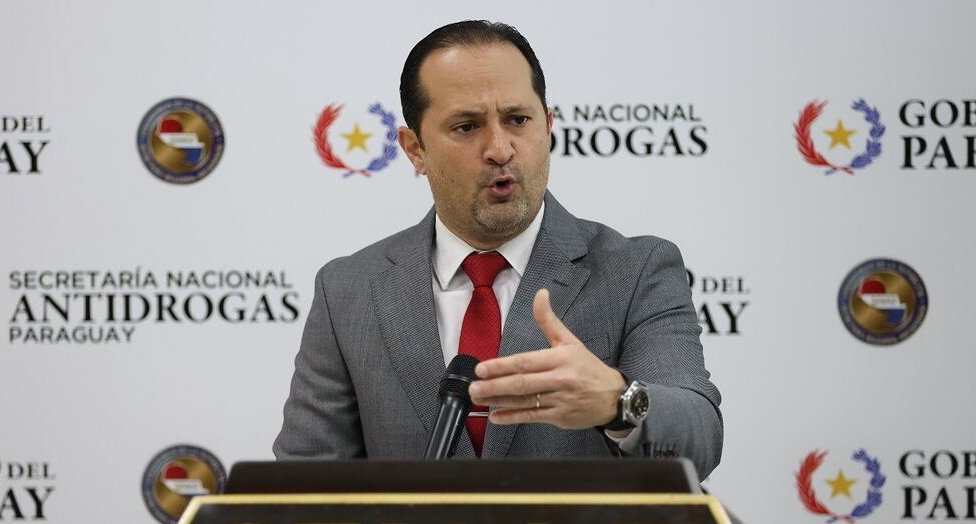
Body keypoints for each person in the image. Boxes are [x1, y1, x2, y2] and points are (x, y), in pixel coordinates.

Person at [273, 20, 723, 480]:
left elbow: (698, 441)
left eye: (518, 120)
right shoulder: (348, 290)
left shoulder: (636, 271)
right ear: (415, 149)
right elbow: (305, 480)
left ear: (548, 127)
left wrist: (617, 402)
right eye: (467, 127)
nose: (500, 149)